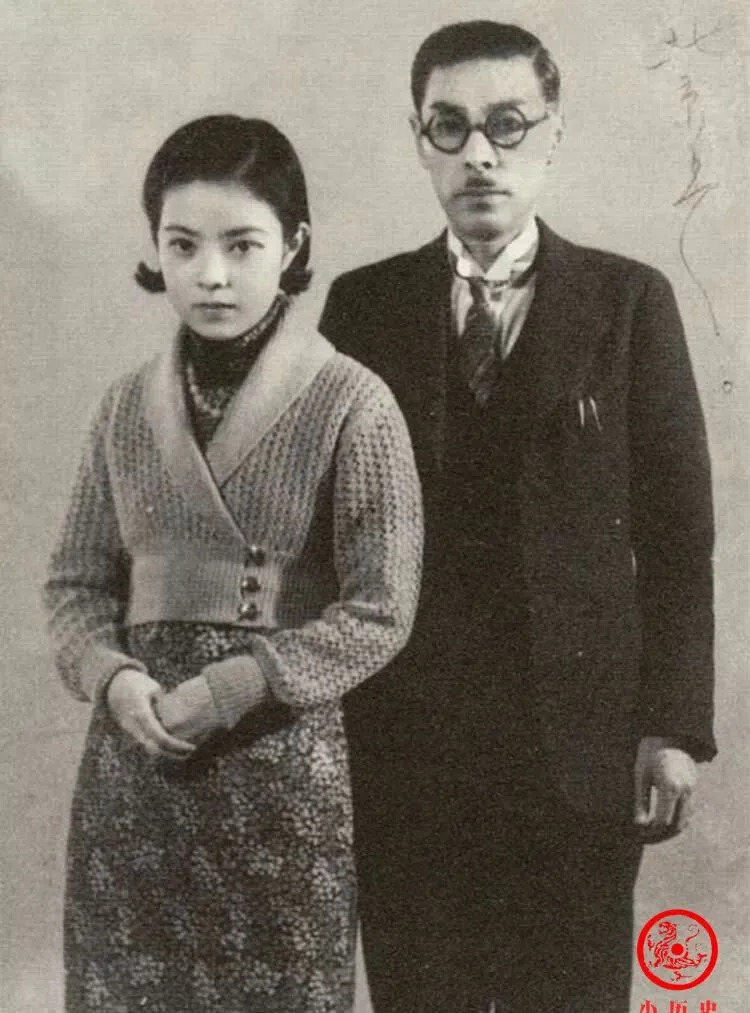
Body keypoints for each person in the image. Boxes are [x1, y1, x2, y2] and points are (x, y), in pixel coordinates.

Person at [319, 21, 715, 1013]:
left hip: (577, 753)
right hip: (408, 750)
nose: (479, 155)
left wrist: (672, 724)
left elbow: (677, 539)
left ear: (553, 134)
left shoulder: (629, 302)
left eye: (507, 124)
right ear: (419, 139)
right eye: (449, 127)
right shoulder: (364, 307)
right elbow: (322, 540)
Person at [43, 113, 422, 1013]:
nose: (211, 274)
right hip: (138, 757)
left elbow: (382, 606)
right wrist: (113, 679)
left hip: (278, 759)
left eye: (242, 245)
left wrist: (232, 687)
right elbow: (74, 586)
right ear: (156, 249)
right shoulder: (122, 407)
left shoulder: (353, 402)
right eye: (183, 245)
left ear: (293, 247)